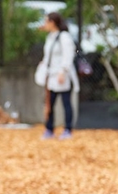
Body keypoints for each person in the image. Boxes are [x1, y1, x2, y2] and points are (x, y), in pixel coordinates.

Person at [39, 12, 79, 140]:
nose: (45, 24)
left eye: (46, 22)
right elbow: (48, 56)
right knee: (49, 102)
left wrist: (63, 71)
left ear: (52, 22)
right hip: (51, 76)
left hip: (62, 76)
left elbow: (69, 55)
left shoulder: (64, 37)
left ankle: (68, 129)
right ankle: (49, 129)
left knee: (66, 102)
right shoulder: (50, 37)